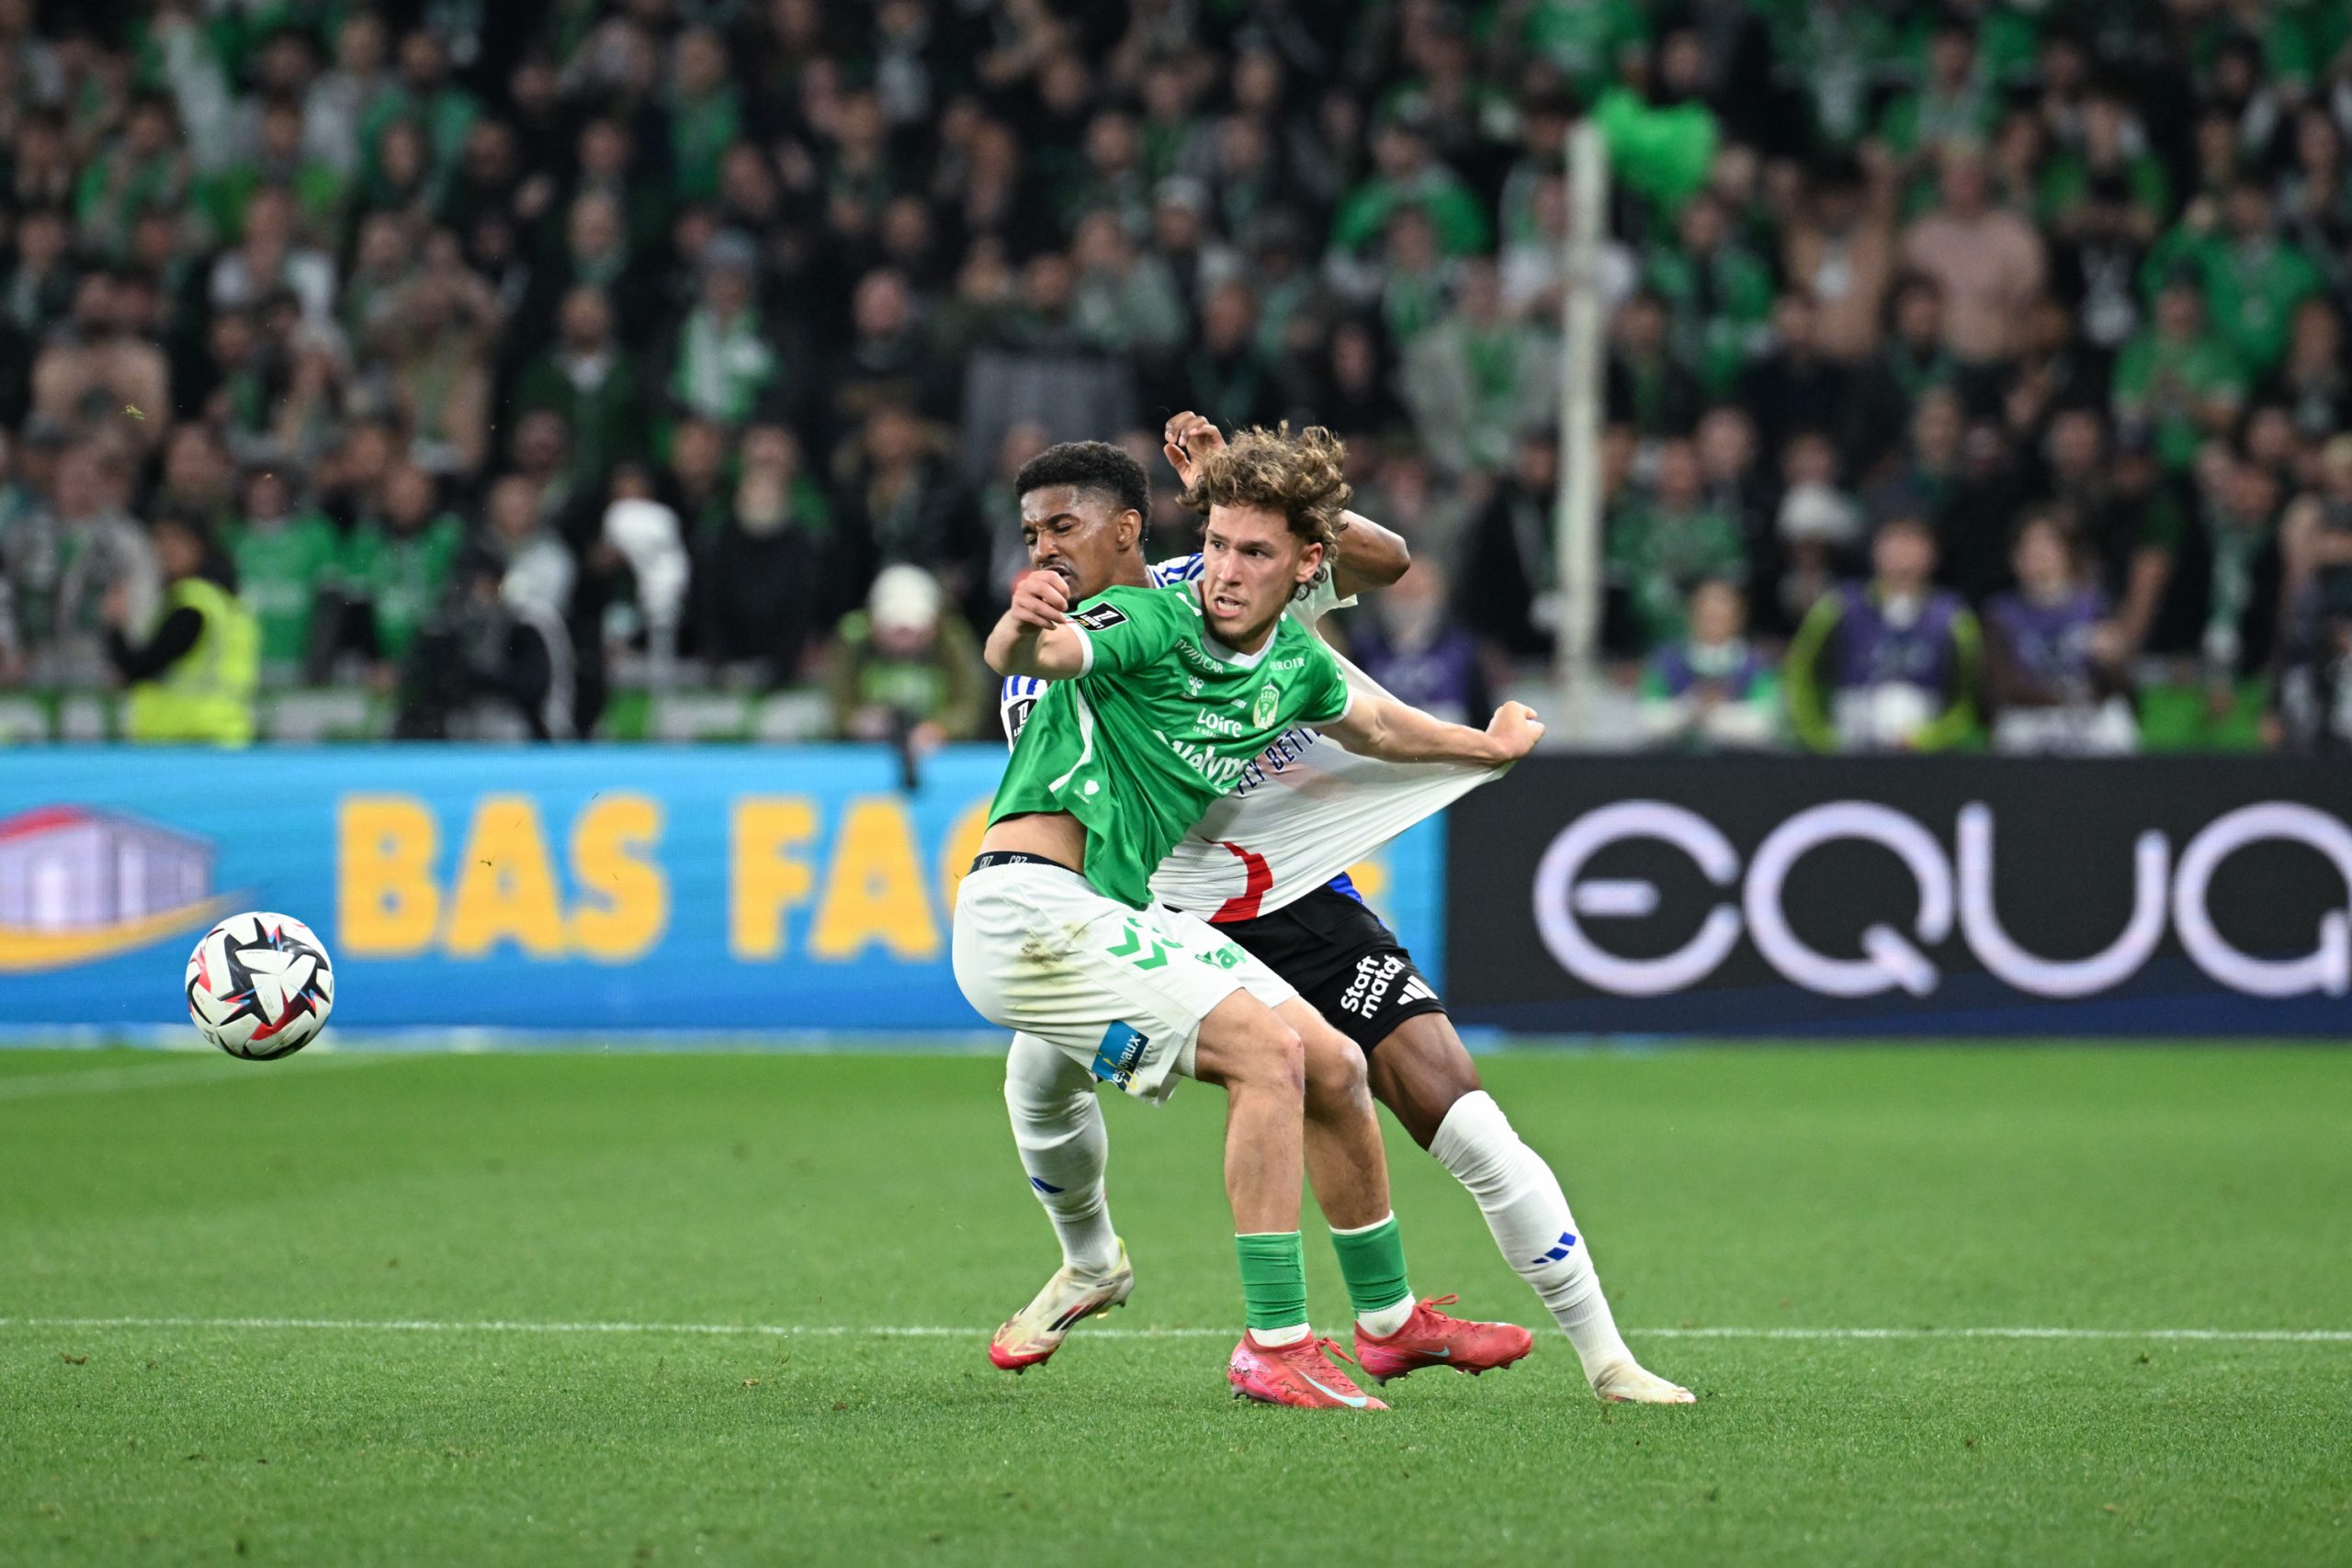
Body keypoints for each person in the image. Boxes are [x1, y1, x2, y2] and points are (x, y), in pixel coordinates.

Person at [987, 426, 1691, 1406]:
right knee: (1037, 1080)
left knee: (1448, 1103)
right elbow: (1045, 668)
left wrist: (1253, 486)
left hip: (1297, 894)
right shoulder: (1081, 652)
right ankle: (1092, 1260)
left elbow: (1389, 566)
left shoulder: (1230, 566)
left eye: (1063, 527)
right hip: (1156, 909)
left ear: (1134, 528)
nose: (1043, 550)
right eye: (1031, 535)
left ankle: (1601, 1358)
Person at [1785, 513, 1981, 753]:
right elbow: (1799, 674)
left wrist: (1926, 739)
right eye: (1893, 541)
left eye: (1913, 542)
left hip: (1925, 756)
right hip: (1848, 748)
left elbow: (1968, 701)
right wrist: (1822, 737)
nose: (1902, 552)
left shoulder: (1953, 618)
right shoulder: (1838, 607)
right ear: (1875, 549)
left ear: (1932, 553)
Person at [1982, 513, 2137, 755]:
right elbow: (2001, 688)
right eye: (2031, 546)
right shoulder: (2001, 613)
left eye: (2050, 544)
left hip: (2086, 715)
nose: (2041, 554)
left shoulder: (2093, 605)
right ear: (2015, 558)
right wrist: (2065, 699)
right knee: (2012, 730)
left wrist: (2114, 662)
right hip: (2031, 715)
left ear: (2067, 553)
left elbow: (2125, 690)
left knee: (2118, 722)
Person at [104, 511, 258, 746]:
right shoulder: (226, 603)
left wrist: (115, 627)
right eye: (160, 539)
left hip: (183, 741)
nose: (165, 549)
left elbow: (138, 668)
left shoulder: (192, 607)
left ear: (200, 546)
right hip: (223, 737)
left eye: (176, 539)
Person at [1638, 580, 1782, 750]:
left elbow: (1763, 725)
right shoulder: (1667, 661)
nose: (1714, 618)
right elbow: (1648, 721)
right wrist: (1691, 708)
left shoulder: (1757, 665)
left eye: (1722, 614)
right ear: (1691, 615)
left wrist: (1712, 714)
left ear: (1739, 617)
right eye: (1707, 613)